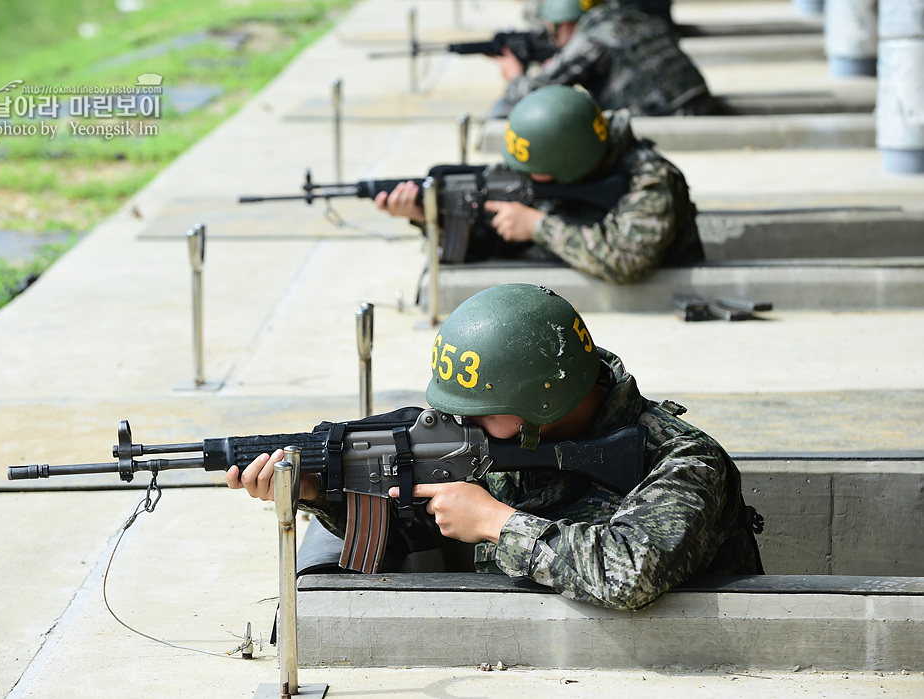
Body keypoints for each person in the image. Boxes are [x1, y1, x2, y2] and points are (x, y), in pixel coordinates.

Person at [226, 283, 765, 611]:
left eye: (480, 409)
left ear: (539, 406)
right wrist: (323, 494)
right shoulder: (495, 439)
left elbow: (630, 572)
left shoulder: (681, 461)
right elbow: (406, 530)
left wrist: (496, 523)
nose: (461, 421)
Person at [375, 84, 704, 284]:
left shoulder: (649, 180)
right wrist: (428, 215)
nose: (523, 176)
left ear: (568, 165)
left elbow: (628, 260)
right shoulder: (561, 168)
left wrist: (537, 226)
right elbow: (489, 241)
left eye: (534, 171)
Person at [495, 0, 714, 118]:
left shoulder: (592, 39)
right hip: (700, 104)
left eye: (553, 32)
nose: (553, 40)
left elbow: (534, 94)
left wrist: (514, 75)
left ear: (566, 24)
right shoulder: (630, 15)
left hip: (669, 119)